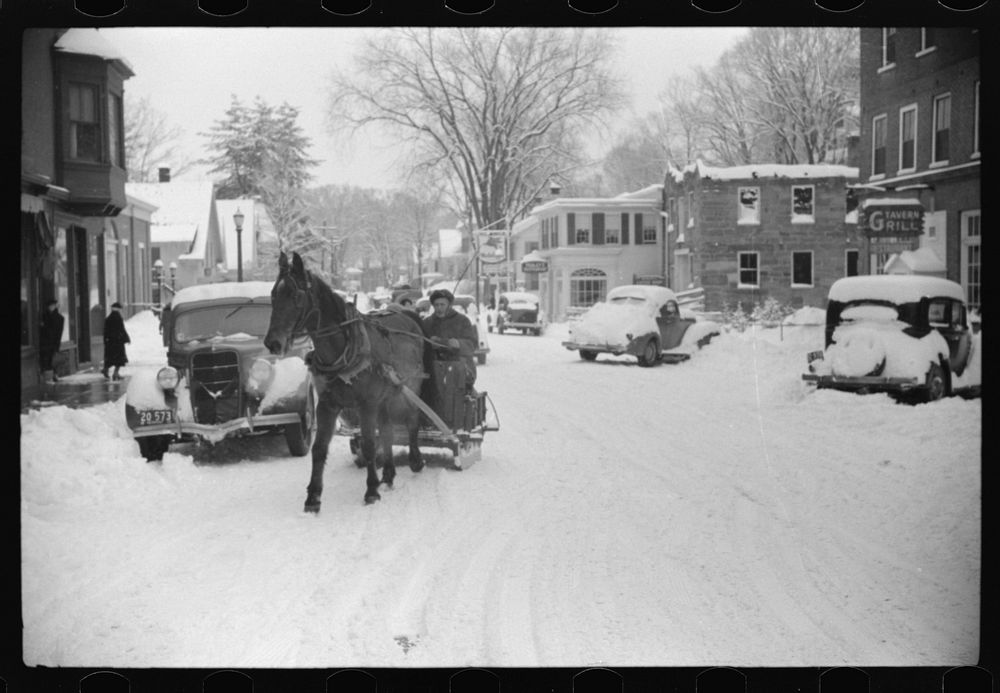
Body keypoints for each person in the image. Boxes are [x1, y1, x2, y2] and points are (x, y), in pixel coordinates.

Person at [422, 288, 477, 392]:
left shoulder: (462, 321)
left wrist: (459, 344)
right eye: (436, 305)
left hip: (459, 367)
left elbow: (472, 345)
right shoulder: (427, 323)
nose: (439, 308)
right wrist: (429, 344)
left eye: (442, 305)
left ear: (449, 305)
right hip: (433, 370)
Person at [102, 302, 131, 380]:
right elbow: (122, 329)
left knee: (110, 358)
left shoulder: (108, 318)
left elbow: (105, 331)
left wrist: (105, 340)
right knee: (119, 359)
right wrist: (127, 338)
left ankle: (106, 369)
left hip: (110, 342)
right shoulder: (118, 318)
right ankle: (115, 373)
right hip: (118, 341)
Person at [39, 299, 64, 384]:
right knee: (46, 359)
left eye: (53, 305)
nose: (51, 307)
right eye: (50, 306)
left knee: (53, 359)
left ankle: (53, 374)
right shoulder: (44, 316)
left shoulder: (60, 318)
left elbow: (59, 333)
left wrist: (57, 345)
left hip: (53, 343)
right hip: (44, 342)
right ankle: (47, 375)